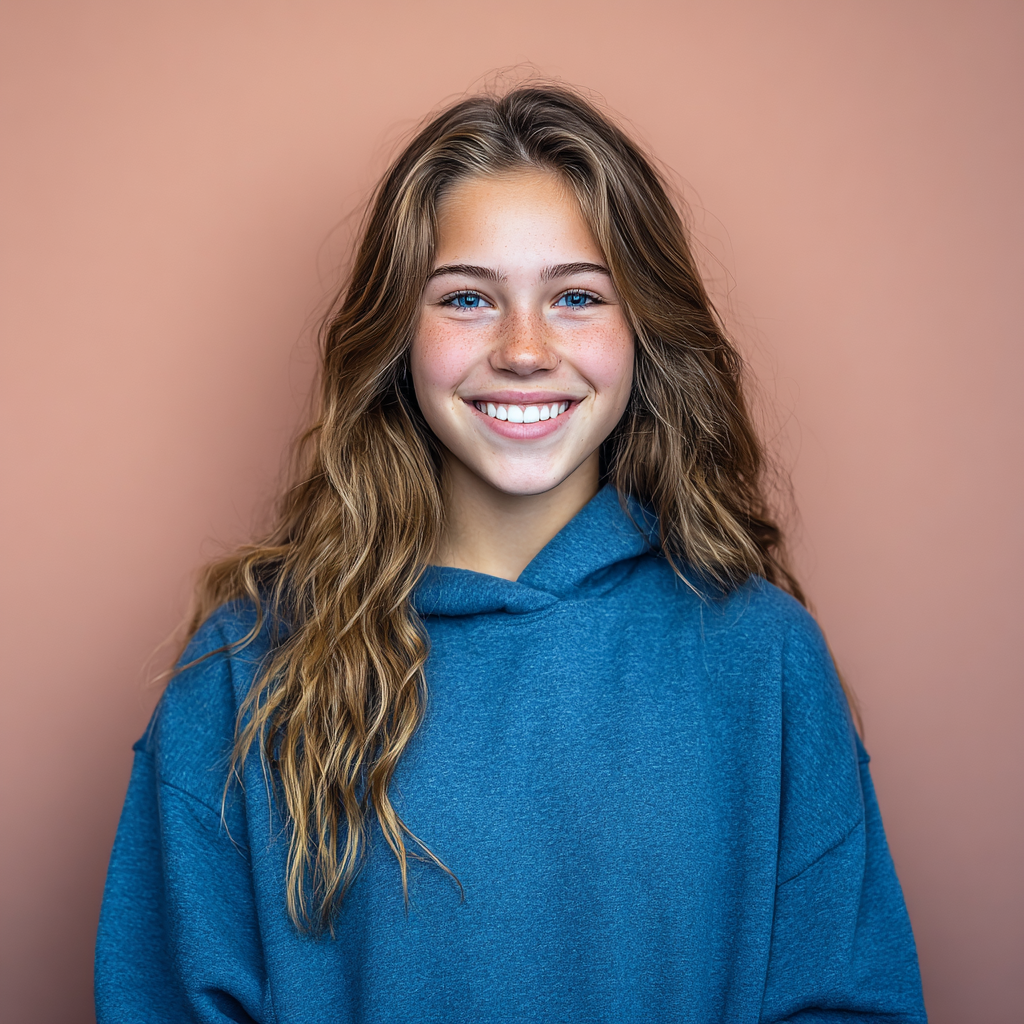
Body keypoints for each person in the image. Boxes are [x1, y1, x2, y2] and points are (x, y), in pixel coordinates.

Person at [95, 85, 927, 1023]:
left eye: (576, 296)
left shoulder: (762, 657)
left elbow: (848, 1001)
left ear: (643, 330)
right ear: (396, 336)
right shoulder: (246, 668)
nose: (525, 349)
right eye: (467, 298)